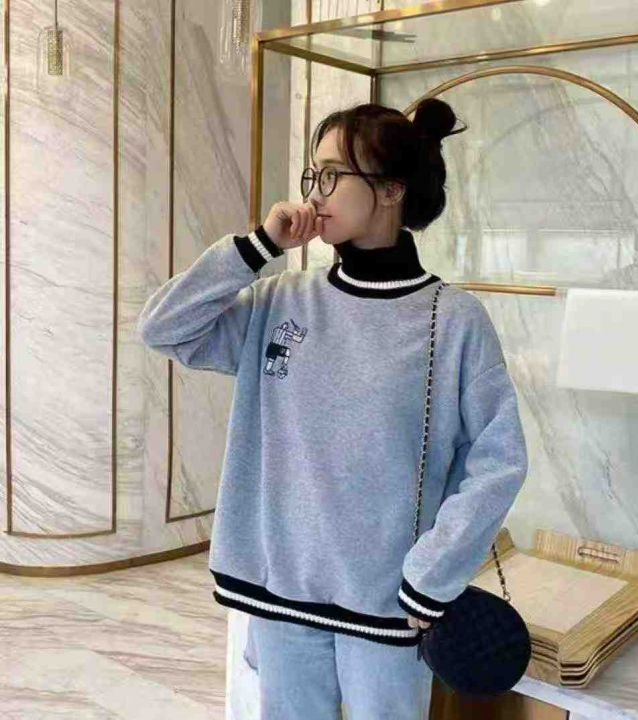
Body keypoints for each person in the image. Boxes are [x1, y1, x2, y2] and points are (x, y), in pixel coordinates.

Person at [136, 98, 529, 720]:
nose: (314, 193)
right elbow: (163, 328)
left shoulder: (452, 320)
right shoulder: (280, 300)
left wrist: (431, 577)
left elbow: (497, 461)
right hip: (281, 593)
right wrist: (258, 246)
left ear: (392, 189)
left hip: (390, 605)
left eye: (332, 175)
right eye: (312, 175)